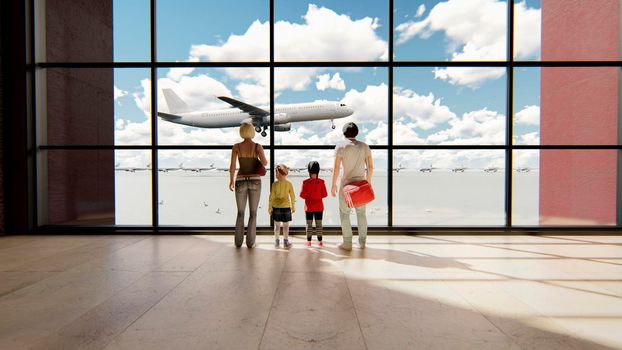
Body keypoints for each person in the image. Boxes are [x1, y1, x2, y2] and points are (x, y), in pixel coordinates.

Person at [331, 122, 373, 251]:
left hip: (346, 186)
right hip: (361, 186)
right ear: (357, 133)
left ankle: (347, 243)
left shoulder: (340, 146)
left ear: (344, 133)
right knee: (361, 214)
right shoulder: (364, 146)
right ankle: (362, 242)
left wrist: (333, 185)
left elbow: (337, 167)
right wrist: (368, 182)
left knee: (344, 214)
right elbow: (370, 167)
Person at [229, 123, 267, 248]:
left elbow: (233, 166)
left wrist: (231, 180)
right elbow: (265, 163)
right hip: (255, 180)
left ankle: (238, 242)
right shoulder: (257, 146)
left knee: (240, 213)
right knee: (253, 213)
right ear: (252, 132)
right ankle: (250, 243)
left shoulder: (236, 147)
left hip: (240, 180)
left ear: (242, 132)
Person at [300, 161, 327, 247]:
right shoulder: (322, 182)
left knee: (309, 224)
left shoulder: (305, 182)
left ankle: (309, 241)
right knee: (319, 224)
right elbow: (325, 194)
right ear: (318, 171)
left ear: (309, 171)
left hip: (309, 207)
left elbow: (302, 195)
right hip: (319, 207)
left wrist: (309, 196)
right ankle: (320, 241)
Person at [269, 164, 296, 248]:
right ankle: (285, 242)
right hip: (286, 207)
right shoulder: (289, 184)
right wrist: (293, 206)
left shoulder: (274, 184)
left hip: (276, 207)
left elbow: (271, 197)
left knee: (277, 226)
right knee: (286, 226)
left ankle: (277, 242)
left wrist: (270, 207)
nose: (278, 175)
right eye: (277, 173)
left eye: (278, 173)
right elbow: (292, 196)